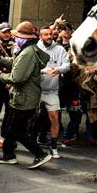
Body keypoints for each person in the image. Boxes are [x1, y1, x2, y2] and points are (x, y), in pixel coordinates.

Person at [0, 21, 52, 169]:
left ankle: (40, 154)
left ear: (25, 38)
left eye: (18, 36)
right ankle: (8, 155)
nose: (15, 39)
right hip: (25, 97)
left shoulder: (27, 52)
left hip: (23, 98)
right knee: (9, 127)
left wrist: (0, 75)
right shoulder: (29, 50)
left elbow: (17, 78)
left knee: (16, 130)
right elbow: (15, 63)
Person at [36, 24, 70, 158]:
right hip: (36, 90)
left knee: (55, 117)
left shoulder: (60, 49)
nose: (49, 37)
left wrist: (59, 69)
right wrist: (43, 70)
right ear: (40, 36)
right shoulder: (35, 48)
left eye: (50, 34)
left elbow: (67, 65)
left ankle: (54, 146)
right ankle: (31, 141)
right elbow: (29, 66)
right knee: (32, 118)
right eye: (46, 34)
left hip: (51, 91)